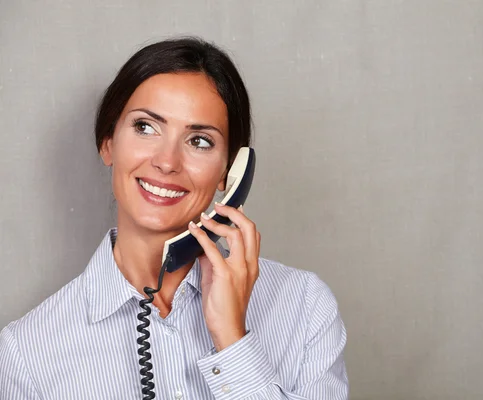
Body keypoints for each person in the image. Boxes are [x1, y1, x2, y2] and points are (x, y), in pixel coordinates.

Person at [0, 37, 348, 399]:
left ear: (230, 172)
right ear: (108, 143)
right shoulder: (27, 353)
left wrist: (232, 340)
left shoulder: (305, 306)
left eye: (199, 141)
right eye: (146, 127)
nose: (167, 162)